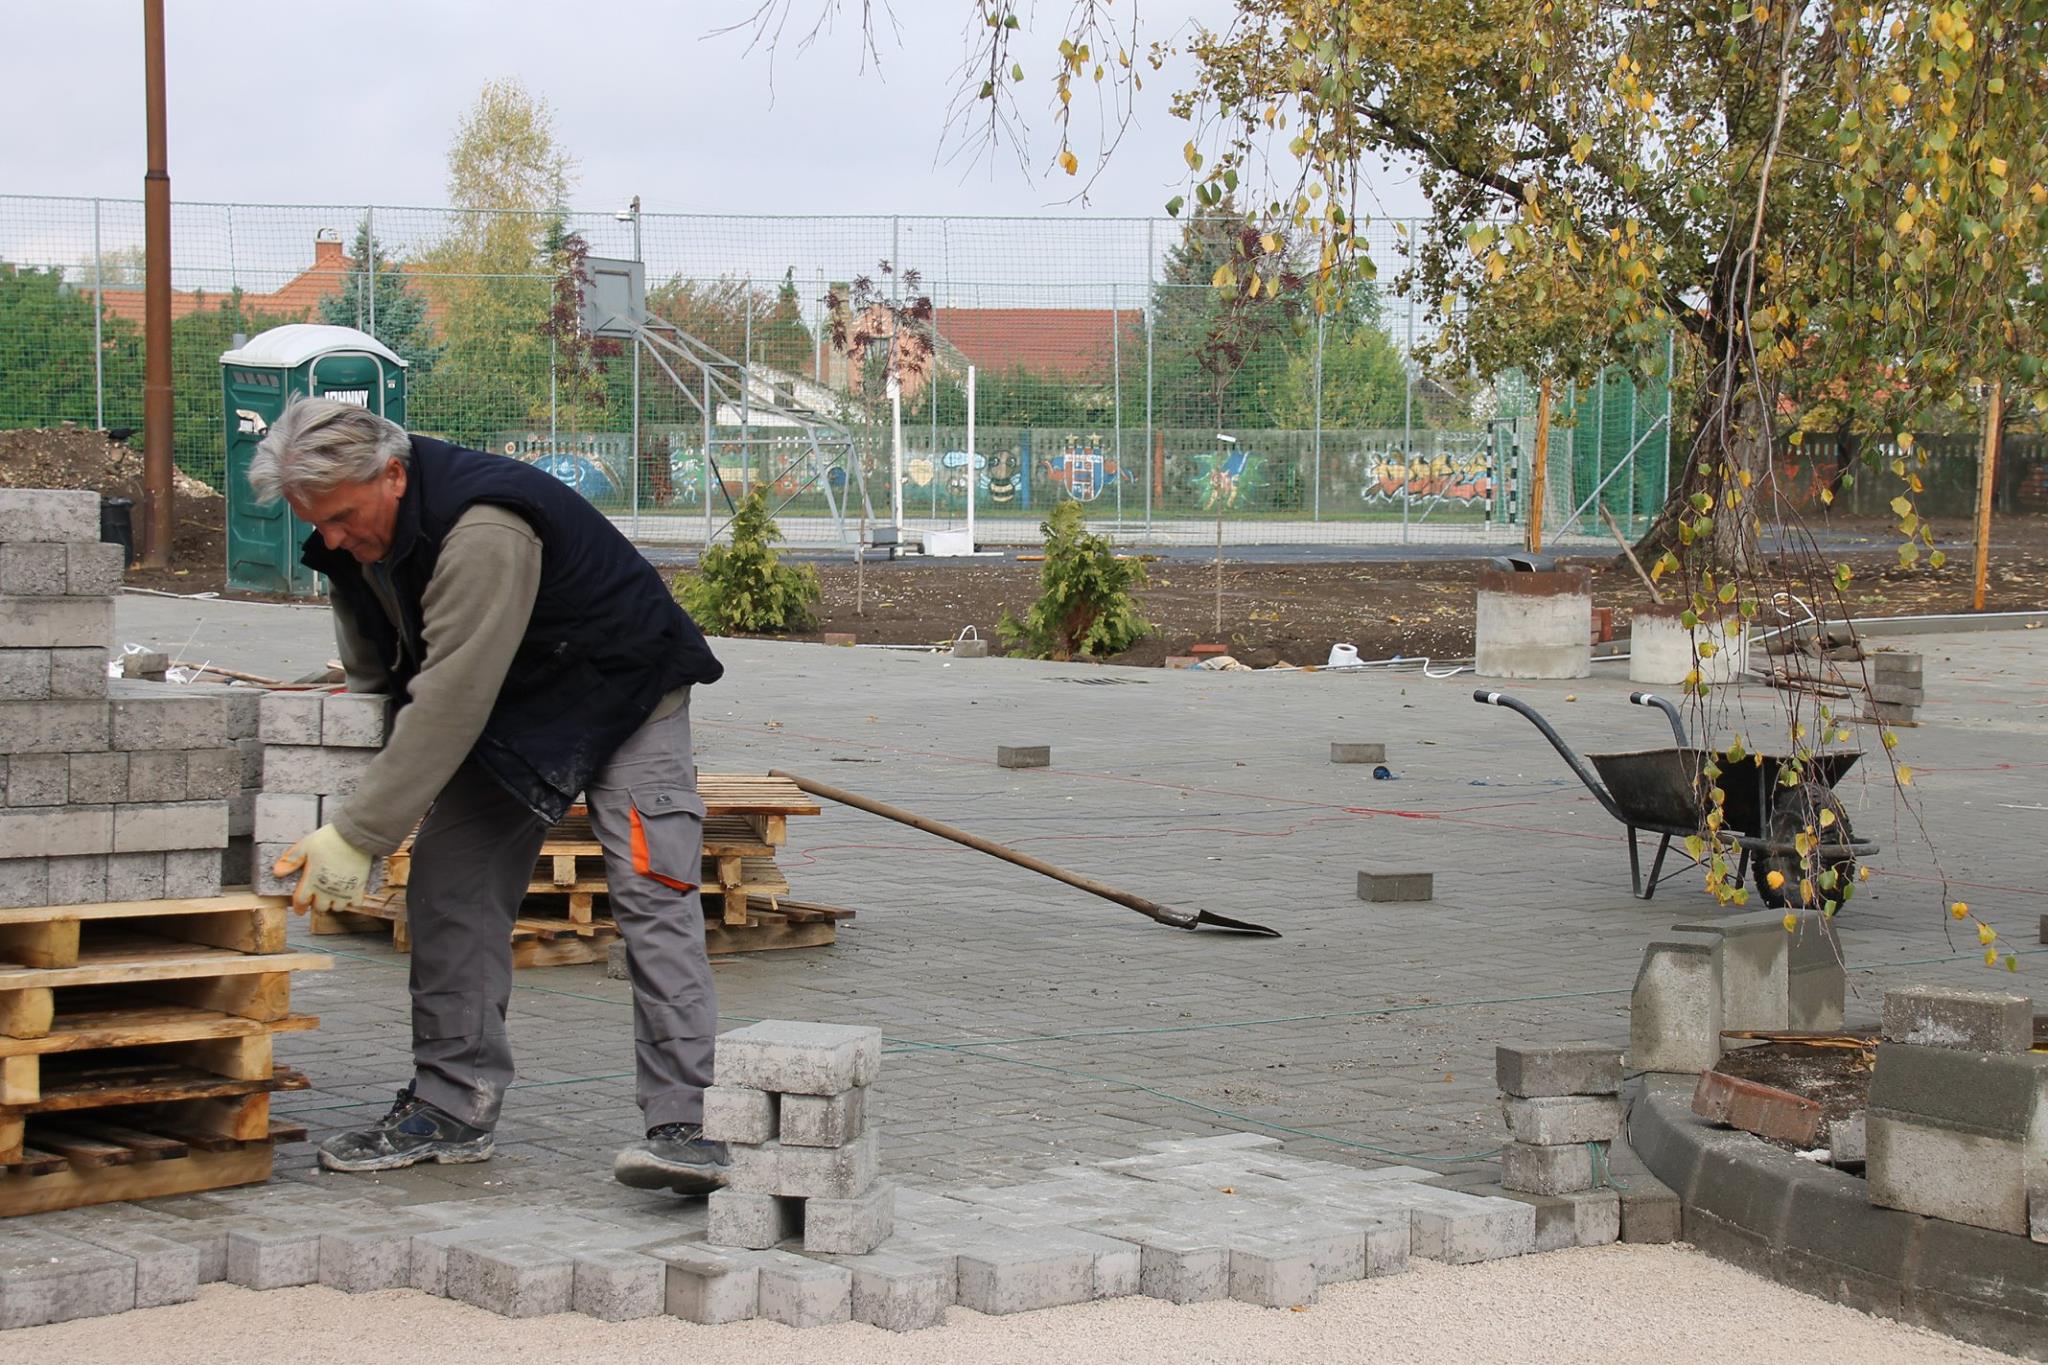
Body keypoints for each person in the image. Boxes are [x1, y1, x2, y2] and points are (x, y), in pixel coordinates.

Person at [247, 397, 729, 1195]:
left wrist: (361, 831)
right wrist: (333, 780)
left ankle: (692, 1123)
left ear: (392, 475)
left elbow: (452, 697)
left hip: (624, 689)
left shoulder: (483, 528)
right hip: (518, 702)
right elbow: (380, 676)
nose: (329, 536)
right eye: (314, 521)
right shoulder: (351, 538)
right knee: (451, 882)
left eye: (339, 516)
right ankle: (450, 1108)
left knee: (655, 892)